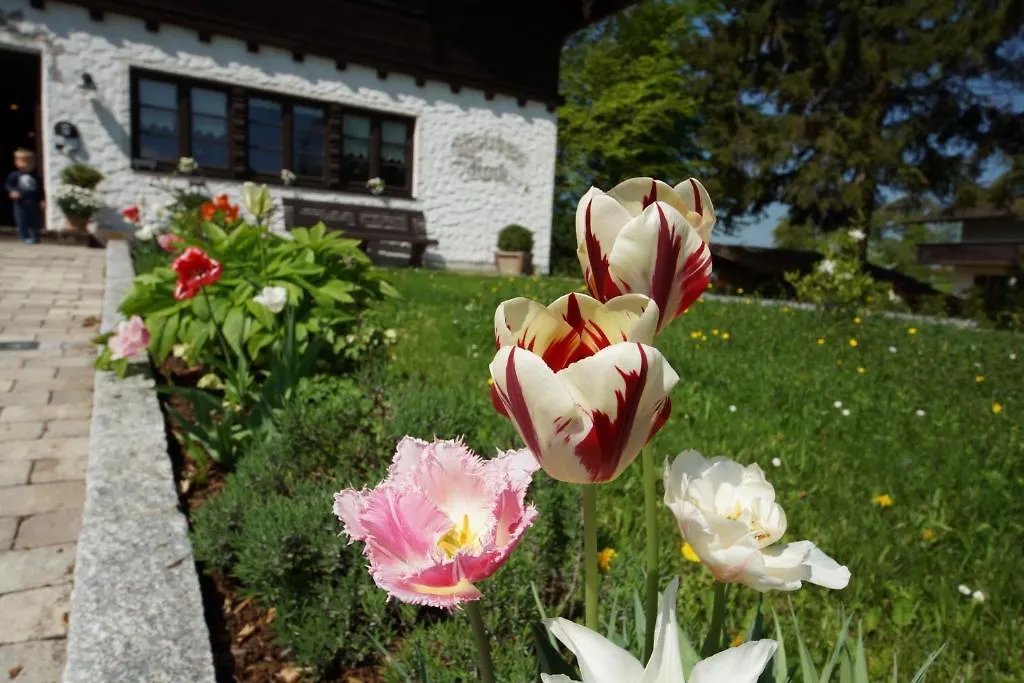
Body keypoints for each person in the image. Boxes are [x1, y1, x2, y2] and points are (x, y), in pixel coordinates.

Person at [5, 149, 45, 244]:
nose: (26, 165)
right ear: (16, 163)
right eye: (23, 162)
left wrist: (42, 200)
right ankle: (25, 236)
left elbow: (40, 189)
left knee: (35, 220)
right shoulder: (14, 175)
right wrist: (12, 191)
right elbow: (8, 185)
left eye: (29, 162)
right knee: (22, 220)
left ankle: (35, 236)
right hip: (20, 202)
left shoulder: (35, 176)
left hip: (33, 202)